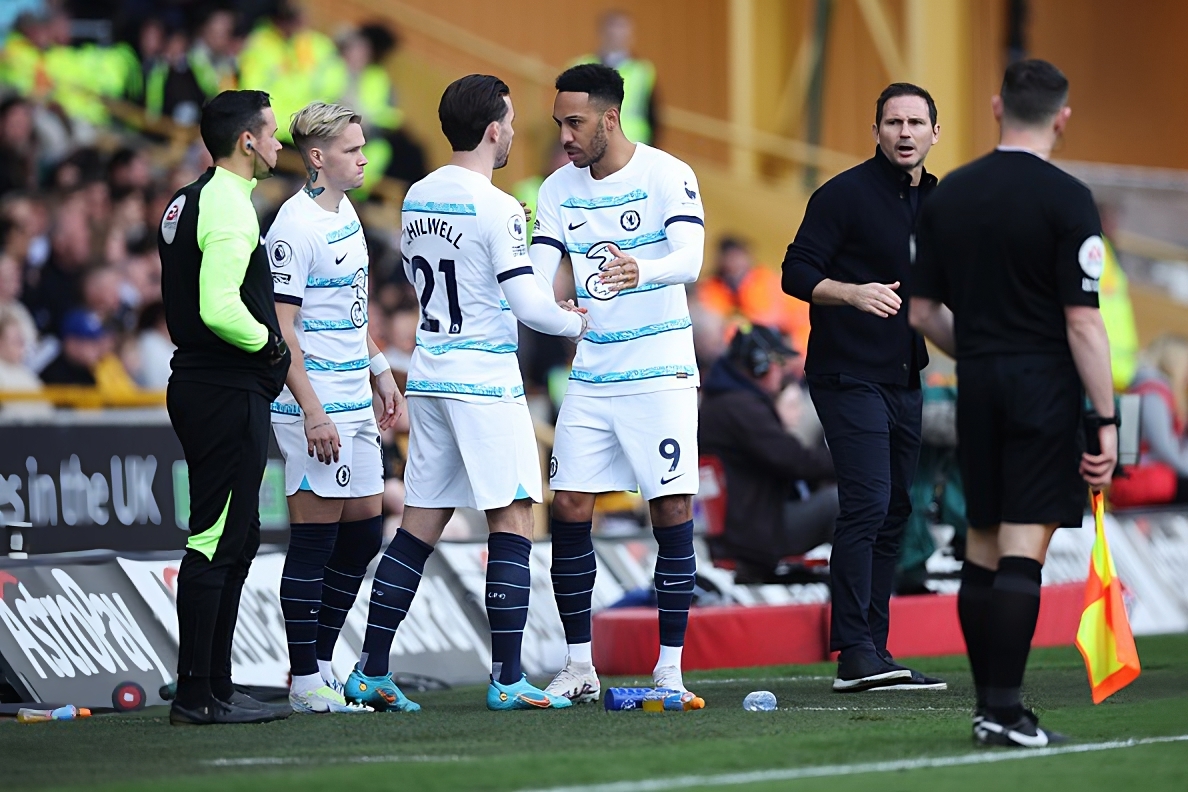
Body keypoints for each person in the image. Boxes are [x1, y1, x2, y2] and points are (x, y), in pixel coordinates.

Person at [342, 74, 588, 713]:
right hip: (483, 378)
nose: (512, 130)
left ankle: (370, 669)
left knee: (420, 522)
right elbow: (527, 302)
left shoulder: (417, 194)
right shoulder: (500, 205)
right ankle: (508, 677)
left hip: (429, 372)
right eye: (508, 120)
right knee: (512, 517)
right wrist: (578, 320)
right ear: (491, 129)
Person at [910, 59, 1118, 747]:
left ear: (998, 108)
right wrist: (1107, 419)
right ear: (1061, 117)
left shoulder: (950, 195)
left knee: (982, 549)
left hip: (981, 384)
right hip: (1042, 387)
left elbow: (921, 310)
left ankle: (989, 708)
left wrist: (978, 351)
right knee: (1023, 549)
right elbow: (1084, 322)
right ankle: (1004, 711)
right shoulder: (1069, 199)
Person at [530, 63, 705, 703]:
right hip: (593, 371)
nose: (566, 136)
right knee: (570, 506)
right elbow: (537, 279)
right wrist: (546, 309)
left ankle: (669, 668)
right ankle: (580, 666)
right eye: (558, 124)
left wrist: (643, 271)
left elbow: (690, 260)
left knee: (672, 511)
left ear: (610, 118)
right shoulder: (556, 189)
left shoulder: (667, 174)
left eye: (575, 123)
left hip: (660, 374)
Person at [782, 83, 944, 693]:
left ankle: (876, 649)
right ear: (875, 130)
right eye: (893, 122)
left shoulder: (940, 201)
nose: (905, 132)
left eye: (916, 122)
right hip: (845, 372)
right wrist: (852, 292)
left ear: (935, 133)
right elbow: (795, 270)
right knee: (869, 502)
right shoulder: (842, 194)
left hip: (905, 374)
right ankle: (854, 650)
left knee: (898, 509)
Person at [158, 89, 291, 726]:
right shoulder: (229, 206)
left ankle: (216, 683)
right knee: (216, 537)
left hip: (205, 385)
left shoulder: (190, 199)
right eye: (271, 133)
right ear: (247, 141)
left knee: (235, 537)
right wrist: (268, 343)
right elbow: (218, 307)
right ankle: (197, 694)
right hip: (223, 388)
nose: (278, 144)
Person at [266, 101, 403, 713]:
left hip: (355, 394)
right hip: (312, 405)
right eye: (353, 149)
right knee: (315, 543)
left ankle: (320, 664)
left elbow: (347, 312)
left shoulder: (346, 210)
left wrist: (380, 370)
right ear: (318, 157)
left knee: (364, 533)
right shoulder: (292, 227)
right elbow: (284, 331)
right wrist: (313, 411)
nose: (365, 157)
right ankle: (302, 680)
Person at [699, 324, 836, 578]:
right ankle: (864, 592)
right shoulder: (740, 407)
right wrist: (853, 463)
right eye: (777, 361)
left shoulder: (725, 402)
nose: (782, 370)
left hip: (742, 528)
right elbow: (794, 460)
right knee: (839, 502)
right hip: (755, 534)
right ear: (757, 363)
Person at [1108, 335, 1188, 507]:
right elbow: (1164, 449)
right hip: (1146, 481)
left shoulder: (1145, 389)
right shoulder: (1153, 395)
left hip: (1142, 479)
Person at [699, 236, 812, 358]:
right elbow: (713, 315)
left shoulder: (761, 280)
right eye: (729, 258)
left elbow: (768, 318)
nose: (733, 264)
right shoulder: (714, 285)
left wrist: (738, 323)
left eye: (737, 257)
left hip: (797, 335)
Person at [573, 11, 657, 145]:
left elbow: (652, 114)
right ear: (601, 33)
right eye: (613, 31)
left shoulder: (642, 72)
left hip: (632, 142)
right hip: (590, 143)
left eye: (622, 31)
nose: (617, 36)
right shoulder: (580, 66)